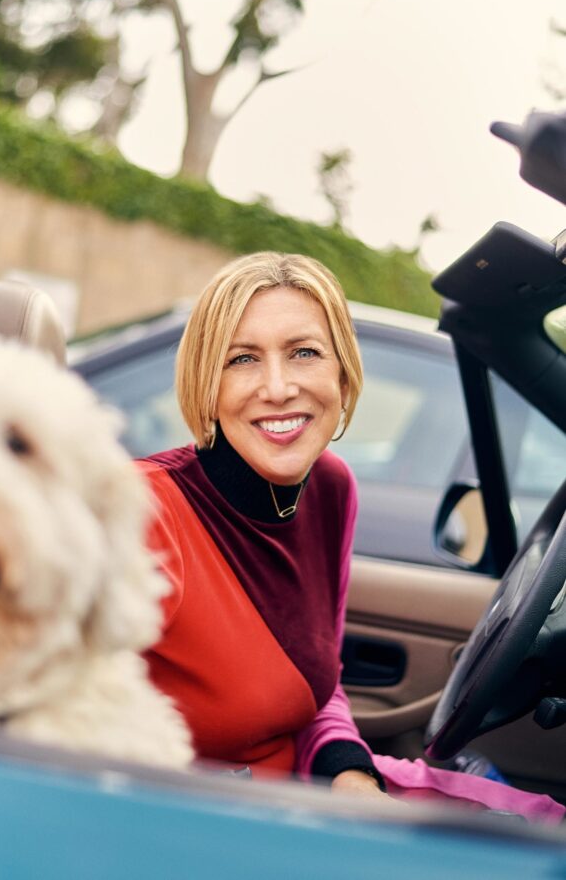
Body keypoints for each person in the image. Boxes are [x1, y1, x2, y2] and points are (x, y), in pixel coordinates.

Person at [138, 251, 564, 821]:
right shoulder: (138, 511)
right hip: (193, 831)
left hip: (302, 806)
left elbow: (319, 692)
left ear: (342, 371)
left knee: (537, 828)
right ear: (204, 383)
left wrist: (352, 777)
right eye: (242, 359)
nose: (278, 386)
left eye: (304, 353)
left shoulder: (330, 488)